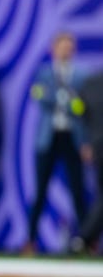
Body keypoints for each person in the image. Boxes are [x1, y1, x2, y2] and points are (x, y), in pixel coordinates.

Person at [24, 31, 90, 254]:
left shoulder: (81, 75)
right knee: (40, 190)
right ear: (53, 48)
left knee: (78, 190)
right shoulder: (44, 72)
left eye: (69, 46)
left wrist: (67, 102)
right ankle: (30, 240)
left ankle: (86, 241)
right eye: (61, 45)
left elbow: (82, 107)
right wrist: (64, 99)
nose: (65, 50)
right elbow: (40, 96)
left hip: (72, 136)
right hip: (48, 137)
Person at [70, 65, 103, 255]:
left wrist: (87, 142)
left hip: (97, 146)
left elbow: (80, 115)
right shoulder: (90, 83)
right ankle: (84, 238)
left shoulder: (91, 83)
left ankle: (84, 239)